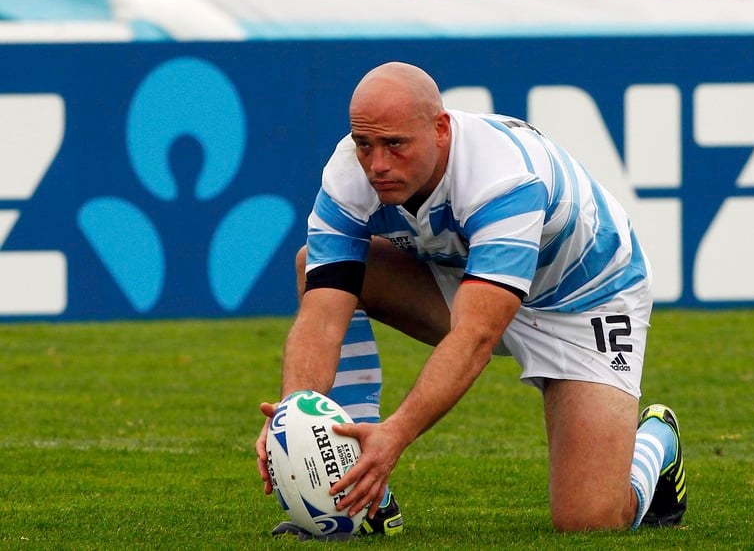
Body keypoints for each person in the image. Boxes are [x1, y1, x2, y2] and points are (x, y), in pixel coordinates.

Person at [255, 61, 687, 535]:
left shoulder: (501, 179)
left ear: (440, 130)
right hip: (469, 281)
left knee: (591, 521)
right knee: (314, 268)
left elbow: (476, 335)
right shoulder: (347, 177)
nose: (377, 164)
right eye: (364, 144)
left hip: (586, 299)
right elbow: (322, 318)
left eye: (395, 144)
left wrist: (394, 436)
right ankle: (365, 498)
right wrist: (291, 419)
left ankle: (657, 441)